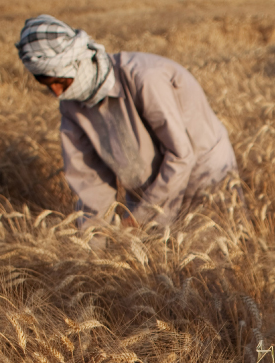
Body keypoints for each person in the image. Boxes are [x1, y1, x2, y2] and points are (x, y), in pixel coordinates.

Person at [16, 15, 236, 228]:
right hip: (147, 186)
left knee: (214, 246)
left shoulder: (145, 78)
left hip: (204, 172)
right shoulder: (71, 105)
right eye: (47, 84)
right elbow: (90, 181)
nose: (56, 92)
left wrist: (140, 216)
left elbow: (181, 155)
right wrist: (93, 242)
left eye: (59, 81)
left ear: (76, 62)